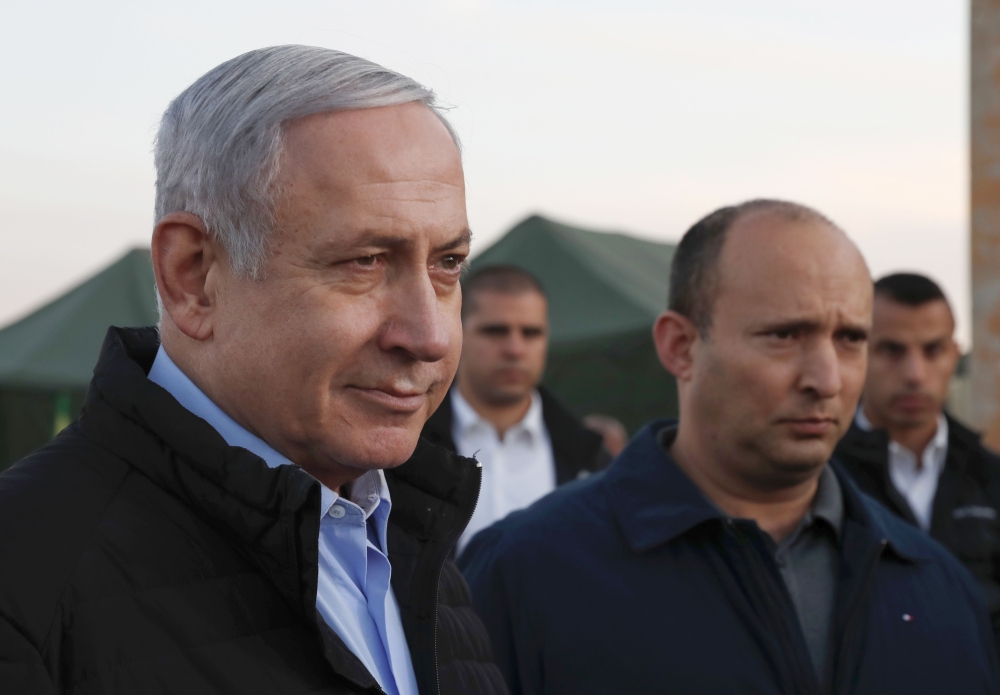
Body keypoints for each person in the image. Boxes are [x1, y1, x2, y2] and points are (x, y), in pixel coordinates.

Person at [0, 46, 507, 695]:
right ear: (194, 277)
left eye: (448, 263)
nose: (430, 335)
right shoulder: (26, 584)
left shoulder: (410, 540)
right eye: (365, 261)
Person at [459, 199, 1000, 694]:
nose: (827, 378)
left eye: (851, 339)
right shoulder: (527, 573)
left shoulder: (936, 586)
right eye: (785, 335)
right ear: (681, 346)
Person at [835, 273, 1000, 641]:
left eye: (933, 350)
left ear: (955, 355)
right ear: (858, 350)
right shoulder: (819, 474)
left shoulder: (990, 476)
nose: (914, 374)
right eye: (892, 350)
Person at [421, 265, 610, 552]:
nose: (515, 349)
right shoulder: (408, 447)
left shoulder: (590, 459)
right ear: (457, 331)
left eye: (531, 333)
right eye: (495, 331)